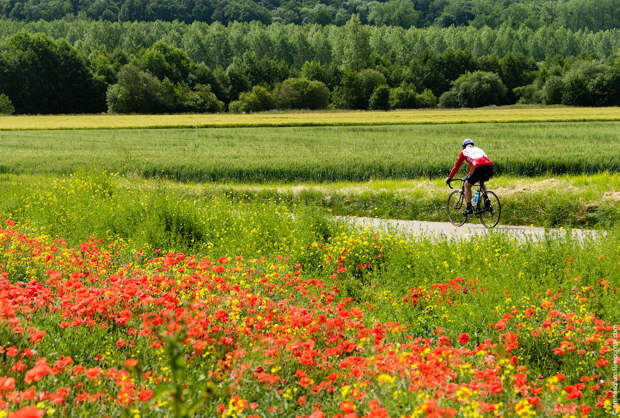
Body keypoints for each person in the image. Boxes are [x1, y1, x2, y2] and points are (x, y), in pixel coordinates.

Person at [445, 139, 494, 216]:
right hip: (489, 166)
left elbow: (457, 166)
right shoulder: (479, 149)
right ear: (472, 145)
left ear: (464, 147)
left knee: (467, 185)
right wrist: (469, 175)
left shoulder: (464, 152)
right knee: (480, 182)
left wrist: (450, 177)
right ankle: (486, 200)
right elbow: (479, 163)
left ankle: (469, 208)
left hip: (478, 166)